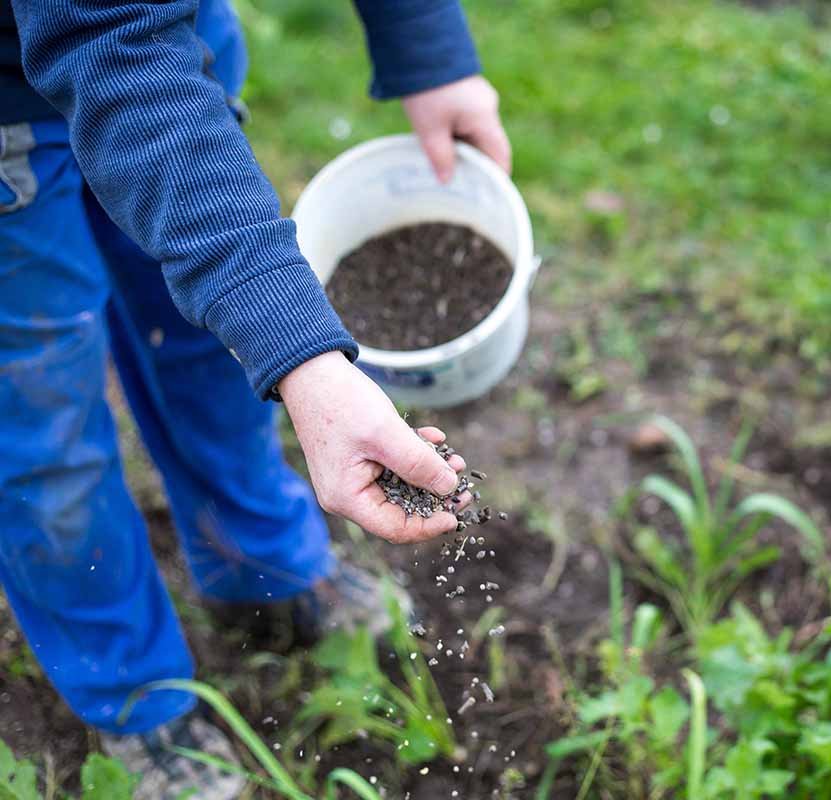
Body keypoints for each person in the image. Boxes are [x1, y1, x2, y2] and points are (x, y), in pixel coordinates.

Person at [0, 0, 510, 795]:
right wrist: (303, 355)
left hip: (174, 38)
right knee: (42, 423)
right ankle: (134, 694)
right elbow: (109, 41)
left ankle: (259, 561)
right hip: (27, 107)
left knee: (209, 341)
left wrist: (427, 46)